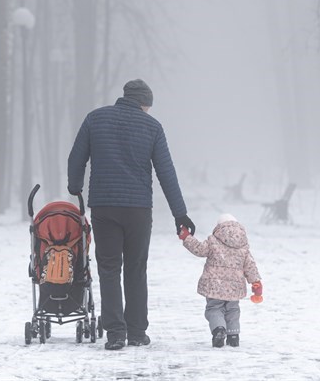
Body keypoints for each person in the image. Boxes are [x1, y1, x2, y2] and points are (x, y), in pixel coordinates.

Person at [68, 79, 195, 350]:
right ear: (144, 103)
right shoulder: (152, 127)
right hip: (138, 210)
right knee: (136, 268)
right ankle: (137, 332)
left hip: (104, 207)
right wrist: (180, 214)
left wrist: (75, 186)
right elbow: (166, 172)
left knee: (109, 268)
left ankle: (115, 332)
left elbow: (75, 158)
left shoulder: (95, 119)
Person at [179, 213, 262, 348]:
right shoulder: (243, 245)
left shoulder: (213, 241)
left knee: (214, 309)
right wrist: (256, 283)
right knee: (233, 310)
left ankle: (219, 330)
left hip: (214, 286)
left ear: (219, 227)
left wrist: (186, 237)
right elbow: (250, 266)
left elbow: (199, 250)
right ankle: (233, 336)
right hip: (235, 288)